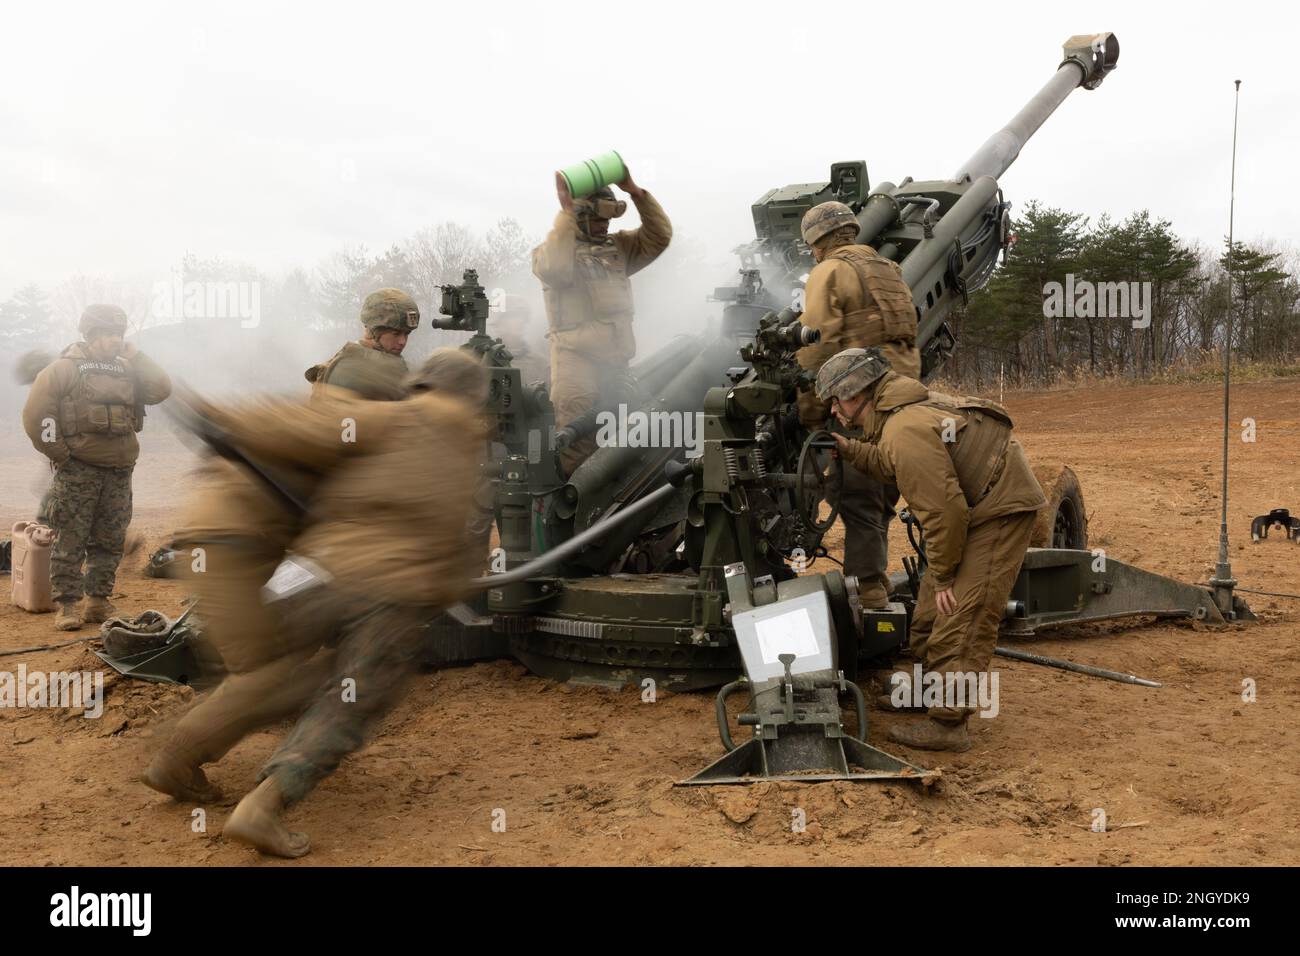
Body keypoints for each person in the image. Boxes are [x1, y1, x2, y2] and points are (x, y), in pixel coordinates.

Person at [142, 348, 487, 857]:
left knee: (272, 668)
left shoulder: (387, 419)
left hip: (320, 574)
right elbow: (456, 544)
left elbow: (302, 426)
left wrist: (219, 416)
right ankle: (261, 807)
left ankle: (179, 754)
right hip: (394, 591)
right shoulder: (468, 445)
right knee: (346, 701)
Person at [817, 347, 1046, 752]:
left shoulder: (904, 429)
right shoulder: (897, 415)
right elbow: (892, 461)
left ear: (859, 393)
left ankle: (948, 725)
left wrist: (943, 575)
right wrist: (850, 450)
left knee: (960, 614)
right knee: (926, 615)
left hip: (998, 510)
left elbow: (946, 514)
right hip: (975, 507)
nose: (835, 409)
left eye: (838, 399)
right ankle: (923, 694)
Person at [795, 201, 921, 609]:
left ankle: (867, 591)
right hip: (900, 393)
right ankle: (876, 581)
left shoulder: (829, 271)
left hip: (859, 396)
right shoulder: (889, 271)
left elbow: (817, 343)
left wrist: (811, 408)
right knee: (881, 490)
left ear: (819, 241)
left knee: (855, 490)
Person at [22, 304, 172, 630]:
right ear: (90, 335)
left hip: (119, 471)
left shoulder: (126, 369)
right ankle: (67, 606)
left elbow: (161, 388)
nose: (114, 341)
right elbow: (37, 418)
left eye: (118, 334)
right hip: (79, 470)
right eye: (106, 335)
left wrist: (138, 356)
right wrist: (63, 456)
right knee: (70, 541)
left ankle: (98, 602)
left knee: (110, 540)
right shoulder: (64, 369)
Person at [532, 167, 671, 475]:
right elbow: (554, 269)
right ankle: (570, 515)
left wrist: (636, 193)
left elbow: (659, 237)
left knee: (617, 439)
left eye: (608, 219)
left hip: (616, 362)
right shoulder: (553, 254)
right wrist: (566, 212)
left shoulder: (616, 249)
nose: (604, 225)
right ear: (579, 215)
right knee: (576, 442)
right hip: (575, 363)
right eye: (598, 218)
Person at [305, 288, 420, 400]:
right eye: (396, 334)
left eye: (407, 334)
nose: (403, 341)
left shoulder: (358, 356)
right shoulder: (356, 368)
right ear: (375, 331)